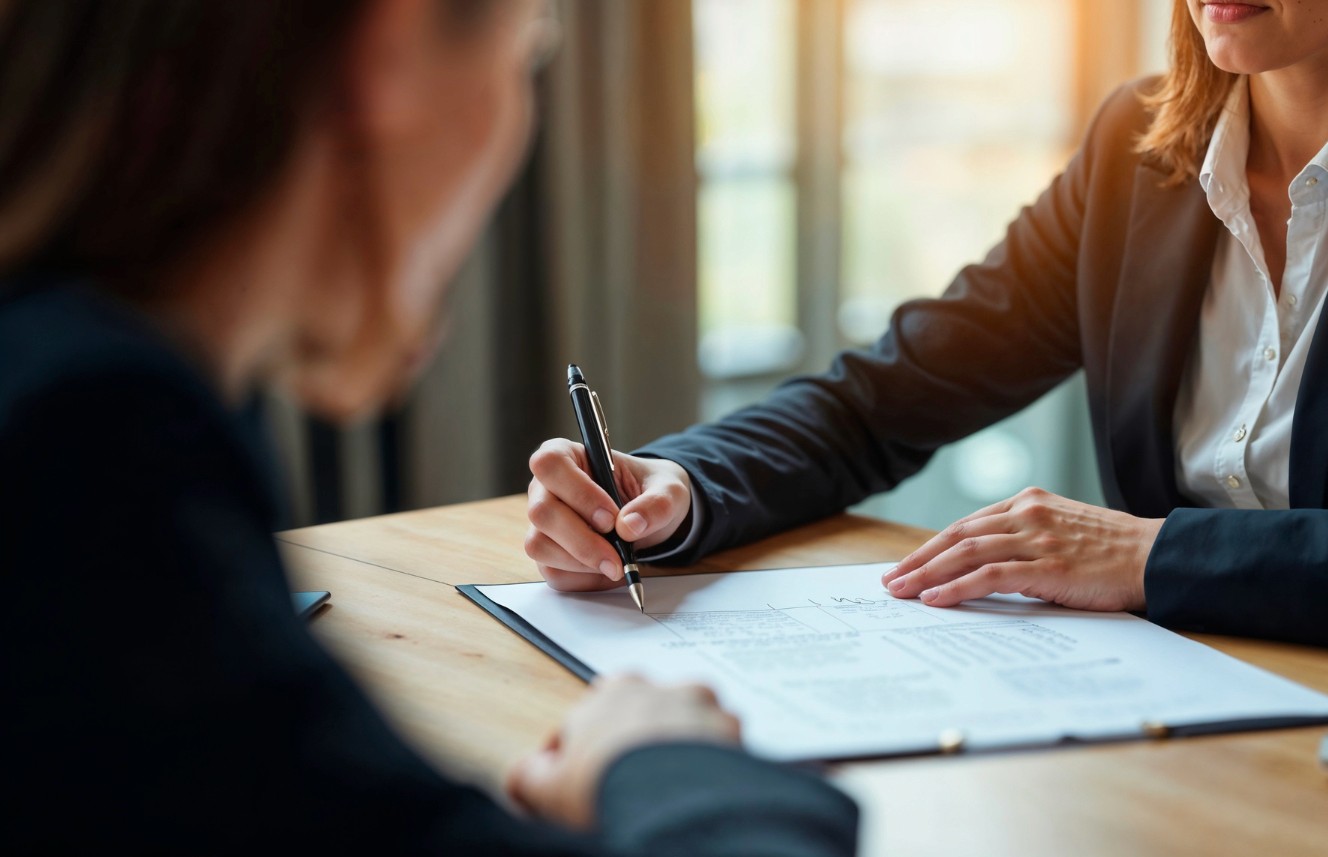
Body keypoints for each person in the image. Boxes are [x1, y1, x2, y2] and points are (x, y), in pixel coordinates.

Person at [0, 1, 857, 853]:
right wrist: (675, 767)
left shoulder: (64, 376)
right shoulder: (89, 441)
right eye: (527, 58)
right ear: (391, 46)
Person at [525, 0, 1328, 668]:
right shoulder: (1139, 149)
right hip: (1180, 735)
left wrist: (1156, 557)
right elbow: (885, 398)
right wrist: (680, 485)